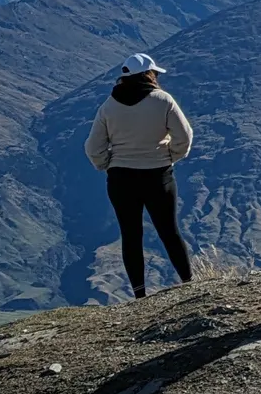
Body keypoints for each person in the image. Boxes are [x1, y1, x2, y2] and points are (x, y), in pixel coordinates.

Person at [84, 53, 196, 298]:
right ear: (149, 74)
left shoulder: (108, 106)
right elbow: (185, 137)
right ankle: (189, 283)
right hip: (159, 176)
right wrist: (170, 156)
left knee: (131, 235)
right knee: (169, 231)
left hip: (121, 179)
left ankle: (139, 294)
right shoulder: (163, 101)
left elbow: (93, 147)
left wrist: (108, 164)